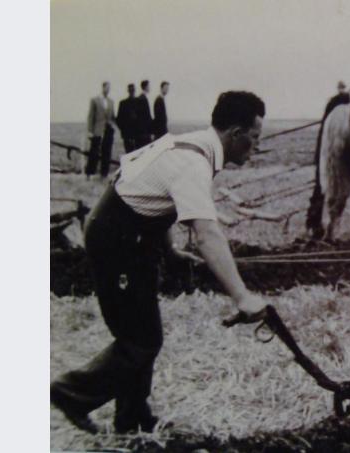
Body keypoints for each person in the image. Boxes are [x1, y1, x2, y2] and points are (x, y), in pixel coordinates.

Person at [50, 91, 268, 434]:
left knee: (143, 332)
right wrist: (242, 296)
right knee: (140, 340)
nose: (256, 147)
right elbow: (207, 233)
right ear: (235, 133)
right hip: (116, 241)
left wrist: (168, 252)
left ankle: (133, 418)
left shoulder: (190, 144)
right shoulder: (194, 162)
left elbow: (150, 193)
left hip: (132, 238)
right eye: (254, 139)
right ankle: (70, 392)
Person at [85, 81, 117, 179]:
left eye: (109, 88)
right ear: (102, 88)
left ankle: (104, 174)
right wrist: (90, 131)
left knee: (107, 152)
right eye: (106, 88)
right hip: (97, 130)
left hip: (108, 131)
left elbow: (112, 117)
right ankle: (90, 173)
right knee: (94, 152)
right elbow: (91, 116)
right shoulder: (95, 100)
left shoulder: (111, 102)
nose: (108, 90)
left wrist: (113, 125)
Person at [116, 83, 139, 153]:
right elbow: (119, 120)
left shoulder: (139, 102)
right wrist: (125, 132)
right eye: (131, 90)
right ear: (128, 91)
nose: (132, 92)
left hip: (137, 135)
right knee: (130, 154)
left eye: (133, 90)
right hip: (128, 136)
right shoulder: (123, 103)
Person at [134, 80, 153, 148]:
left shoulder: (140, 98)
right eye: (149, 86)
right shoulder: (143, 99)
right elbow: (145, 117)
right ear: (146, 87)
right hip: (144, 133)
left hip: (141, 132)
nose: (150, 88)